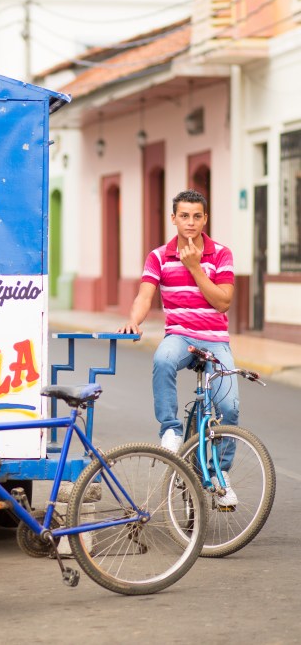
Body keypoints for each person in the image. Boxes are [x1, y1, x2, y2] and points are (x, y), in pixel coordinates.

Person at [118, 189, 239, 506]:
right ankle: (170, 430)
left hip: (215, 340)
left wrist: (196, 268)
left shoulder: (221, 254)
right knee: (163, 359)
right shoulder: (158, 256)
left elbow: (223, 302)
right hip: (181, 337)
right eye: (184, 215)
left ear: (205, 219)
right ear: (173, 218)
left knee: (229, 407)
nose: (191, 222)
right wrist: (134, 321)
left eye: (197, 216)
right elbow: (145, 296)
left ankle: (219, 475)